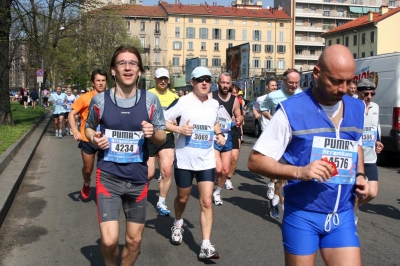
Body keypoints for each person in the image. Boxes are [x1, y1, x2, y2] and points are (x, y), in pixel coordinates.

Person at [248, 44, 369, 265]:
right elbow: (255, 161)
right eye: (335, 81)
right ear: (316, 73)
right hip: (303, 215)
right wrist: (300, 171)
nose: (343, 89)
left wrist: (361, 175)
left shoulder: (357, 108)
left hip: (342, 214)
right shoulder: (290, 110)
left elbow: (356, 146)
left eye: (349, 81)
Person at [85, 45, 166, 265]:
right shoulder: (100, 101)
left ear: (139, 70)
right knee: (110, 242)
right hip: (108, 178)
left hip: (138, 181)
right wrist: (94, 138)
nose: (128, 67)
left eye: (133, 63)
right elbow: (89, 127)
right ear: (113, 70)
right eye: (122, 63)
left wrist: (153, 133)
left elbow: (161, 136)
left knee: (133, 241)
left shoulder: (150, 100)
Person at [164, 66, 225, 259]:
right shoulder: (183, 101)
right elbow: (161, 120)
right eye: (200, 80)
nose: (204, 82)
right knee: (182, 198)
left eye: (207, 79)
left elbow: (214, 121)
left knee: (206, 201)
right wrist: (179, 130)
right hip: (184, 160)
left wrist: (219, 133)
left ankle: (206, 245)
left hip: (206, 160)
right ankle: (177, 223)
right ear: (192, 83)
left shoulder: (214, 104)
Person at [260, 69, 303, 219]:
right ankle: (284, 207)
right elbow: (263, 108)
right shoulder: (273, 96)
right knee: (282, 175)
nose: (294, 85)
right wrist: (273, 118)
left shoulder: (302, 95)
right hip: (279, 139)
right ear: (283, 82)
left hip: (296, 139)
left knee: (292, 175)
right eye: (291, 82)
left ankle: (275, 200)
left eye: (296, 83)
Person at [68, 69, 107, 200]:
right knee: (88, 169)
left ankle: (104, 193)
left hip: (105, 140)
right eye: (98, 81)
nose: (101, 83)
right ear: (93, 82)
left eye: (103, 80)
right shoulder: (85, 98)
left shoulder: (112, 97)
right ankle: (86, 183)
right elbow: (72, 114)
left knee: (105, 170)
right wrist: (75, 130)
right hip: (87, 139)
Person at [147, 68, 179, 216]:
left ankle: (161, 201)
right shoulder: (148, 95)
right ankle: (139, 195)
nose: (163, 81)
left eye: (165, 79)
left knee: (166, 170)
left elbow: (177, 116)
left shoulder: (174, 97)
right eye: (160, 79)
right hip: (150, 137)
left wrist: (176, 122)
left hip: (167, 137)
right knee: (148, 173)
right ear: (155, 80)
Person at [354, 78, 383, 223]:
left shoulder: (375, 107)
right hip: (354, 158)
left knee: (372, 193)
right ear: (358, 92)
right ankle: (349, 213)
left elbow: (376, 127)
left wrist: (378, 142)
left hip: (370, 157)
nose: (369, 97)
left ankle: (351, 208)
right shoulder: (350, 105)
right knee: (355, 190)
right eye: (366, 94)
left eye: (372, 94)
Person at [210, 73, 242, 200]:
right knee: (218, 169)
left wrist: (239, 119)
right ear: (218, 82)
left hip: (227, 136)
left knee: (225, 170)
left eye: (227, 83)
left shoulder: (234, 100)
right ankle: (209, 181)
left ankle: (217, 192)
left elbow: (239, 115)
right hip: (213, 136)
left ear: (231, 84)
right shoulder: (211, 96)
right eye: (223, 82)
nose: (225, 85)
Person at [226, 84, 244, 189]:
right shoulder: (221, 103)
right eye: (233, 93)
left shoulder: (239, 103)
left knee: (234, 157)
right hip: (223, 131)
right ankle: (219, 175)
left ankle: (228, 179)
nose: (235, 95)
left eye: (236, 93)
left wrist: (241, 132)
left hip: (235, 130)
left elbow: (240, 117)